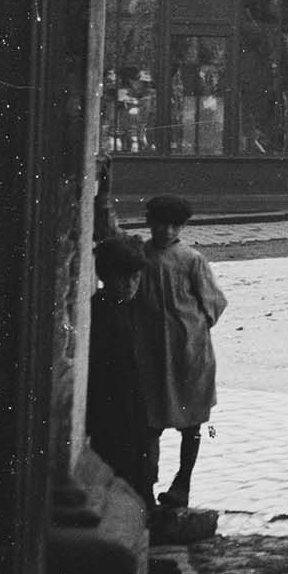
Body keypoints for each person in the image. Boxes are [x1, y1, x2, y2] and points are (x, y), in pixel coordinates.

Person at [133, 192, 227, 527]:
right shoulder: (139, 256)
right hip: (150, 349)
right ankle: (145, 486)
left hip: (188, 349)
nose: (166, 230)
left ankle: (182, 483)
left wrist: (192, 328)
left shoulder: (191, 259)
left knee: (192, 422)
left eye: (174, 225)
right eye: (161, 223)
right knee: (149, 422)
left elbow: (214, 302)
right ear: (150, 223)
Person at [84, 161, 156, 505]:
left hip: (134, 406)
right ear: (105, 277)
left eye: (135, 278)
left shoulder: (133, 310)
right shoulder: (100, 313)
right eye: (122, 278)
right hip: (110, 410)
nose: (129, 285)